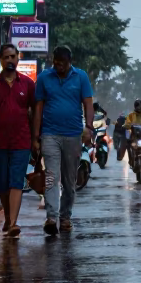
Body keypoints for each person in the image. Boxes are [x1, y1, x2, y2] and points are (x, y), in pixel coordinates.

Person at [34, 45, 95, 236]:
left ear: (70, 62)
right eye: (56, 63)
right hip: (50, 134)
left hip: (73, 135)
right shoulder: (44, 77)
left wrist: (89, 128)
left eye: (62, 63)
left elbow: (88, 103)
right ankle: (51, 217)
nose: (58, 67)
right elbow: (38, 108)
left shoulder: (81, 77)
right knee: (51, 176)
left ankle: (65, 217)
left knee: (69, 181)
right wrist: (35, 136)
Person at [0, 44, 38, 237]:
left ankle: (13, 223)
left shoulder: (28, 84)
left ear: (18, 59)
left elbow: (36, 112)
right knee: (2, 184)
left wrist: (36, 138)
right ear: (1, 60)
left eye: (13, 57)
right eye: (6, 57)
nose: (10, 60)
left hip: (21, 142)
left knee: (16, 182)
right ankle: (8, 217)